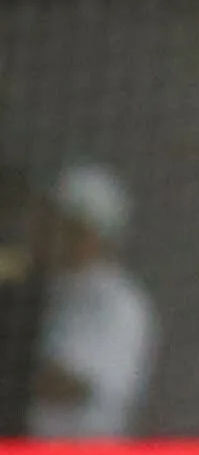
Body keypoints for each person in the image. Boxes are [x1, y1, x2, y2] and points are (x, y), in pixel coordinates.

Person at [31, 164, 157, 439]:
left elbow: (71, 388)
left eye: (66, 225)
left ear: (93, 233)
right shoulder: (48, 289)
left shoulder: (121, 303)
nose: (51, 233)